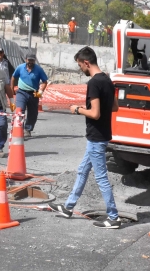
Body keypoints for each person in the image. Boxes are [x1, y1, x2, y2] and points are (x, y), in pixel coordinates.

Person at [51, 46, 121, 229]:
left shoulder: (94, 83)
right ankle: (68, 207)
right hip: (101, 135)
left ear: (86, 62)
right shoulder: (107, 79)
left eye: (80, 65)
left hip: (96, 137)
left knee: (101, 178)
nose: (80, 69)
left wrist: (77, 109)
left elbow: (95, 113)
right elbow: (115, 107)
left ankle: (113, 217)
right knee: (82, 171)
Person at [11, 53, 48, 137]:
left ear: (34, 60)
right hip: (21, 92)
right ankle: (19, 130)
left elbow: (45, 81)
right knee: (20, 111)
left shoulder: (39, 70)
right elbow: (13, 77)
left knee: (33, 113)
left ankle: (28, 129)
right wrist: (12, 89)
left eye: (32, 60)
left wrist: (40, 92)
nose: (30, 62)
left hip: (33, 94)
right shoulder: (20, 67)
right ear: (25, 59)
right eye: (29, 60)